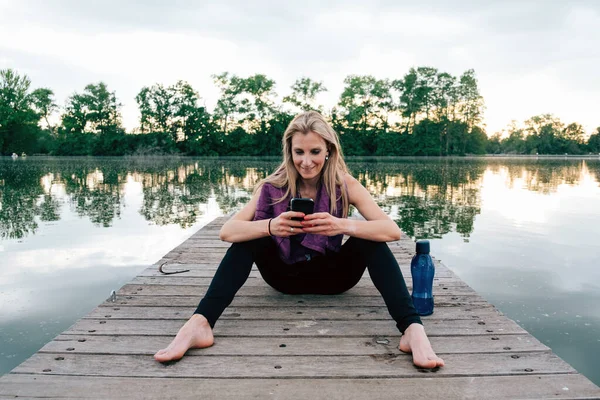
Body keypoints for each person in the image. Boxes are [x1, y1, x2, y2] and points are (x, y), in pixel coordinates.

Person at [154, 111, 444, 368]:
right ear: (289, 152)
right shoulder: (272, 185)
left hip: (335, 278)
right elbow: (227, 232)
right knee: (250, 236)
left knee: (371, 239)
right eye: (299, 152)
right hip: (284, 277)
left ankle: (411, 330)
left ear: (329, 150)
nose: (306, 162)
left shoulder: (345, 184)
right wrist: (271, 225)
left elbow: (391, 230)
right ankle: (200, 324)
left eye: (315, 151)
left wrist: (341, 224)